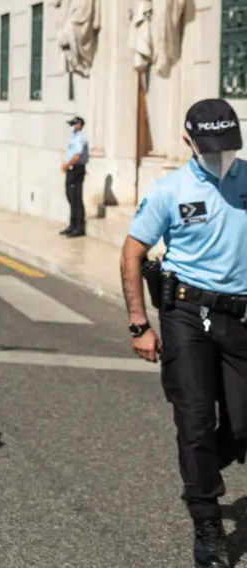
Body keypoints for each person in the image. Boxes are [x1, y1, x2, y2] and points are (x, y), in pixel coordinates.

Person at [122, 99, 247, 568]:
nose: (221, 157)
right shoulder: (169, 191)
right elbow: (131, 254)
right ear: (189, 142)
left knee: (242, 423)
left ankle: (200, 465)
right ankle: (207, 523)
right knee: (194, 420)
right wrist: (140, 325)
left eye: (228, 148)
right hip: (186, 315)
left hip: (239, 317)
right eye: (211, 148)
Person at [61, 116, 89, 237]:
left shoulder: (81, 138)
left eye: (73, 124)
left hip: (76, 169)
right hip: (71, 169)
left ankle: (79, 227)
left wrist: (67, 165)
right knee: (71, 197)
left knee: (76, 198)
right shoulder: (75, 138)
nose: (71, 127)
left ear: (79, 125)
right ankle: (72, 224)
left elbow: (77, 156)